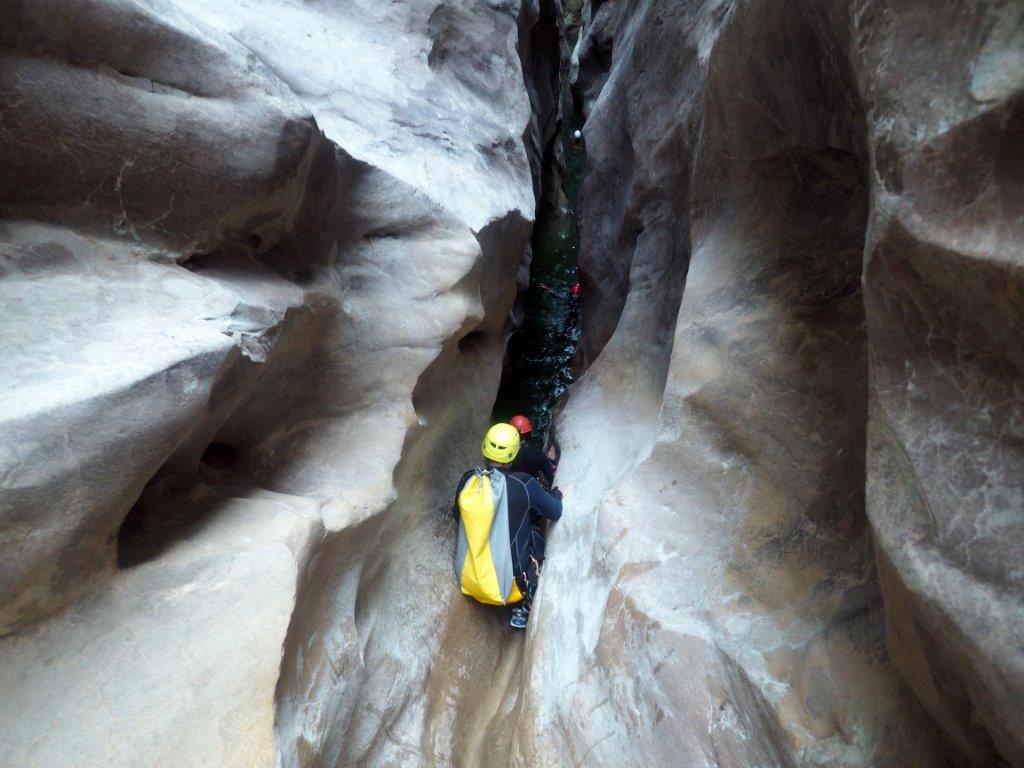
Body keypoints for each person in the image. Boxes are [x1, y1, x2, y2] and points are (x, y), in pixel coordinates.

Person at [452, 423, 563, 629]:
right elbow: (555, 511)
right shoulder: (523, 484)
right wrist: (556, 494)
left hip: (468, 580)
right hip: (508, 589)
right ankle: (522, 607)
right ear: (514, 454)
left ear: (485, 449)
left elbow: (457, 516)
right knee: (535, 535)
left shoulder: (468, 480)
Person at [509, 415, 556, 488]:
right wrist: (551, 460)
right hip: (530, 489)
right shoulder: (536, 454)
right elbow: (551, 476)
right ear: (529, 434)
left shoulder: (506, 453)